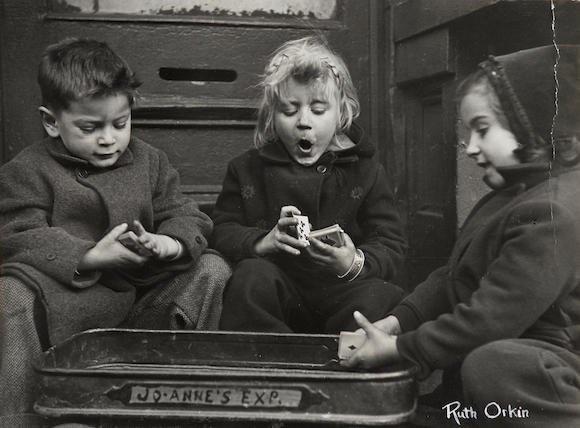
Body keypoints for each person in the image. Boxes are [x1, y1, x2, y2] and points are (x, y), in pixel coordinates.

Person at [342, 44, 580, 427]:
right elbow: (453, 278)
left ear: (533, 124)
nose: (470, 147)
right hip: (523, 352)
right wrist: (399, 322)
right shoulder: (507, 197)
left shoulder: (556, 211)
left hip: (559, 367)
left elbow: (491, 319)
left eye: (482, 130)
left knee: (495, 365)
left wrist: (401, 349)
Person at [0, 38, 231, 425]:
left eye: (120, 124)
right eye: (90, 128)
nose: (109, 138)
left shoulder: (149, 161)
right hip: (63, 315)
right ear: (51, 122)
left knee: (212, 268)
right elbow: (16, 232)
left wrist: (168, 243)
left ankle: (183, 407)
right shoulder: (28, 170)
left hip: (141, 309)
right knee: (9, 290)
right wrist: (88, 256)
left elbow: (186, 215)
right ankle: (22, 416)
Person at [212, 36, 407, 334]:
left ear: (341, 113)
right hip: (280, 290)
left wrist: (352, 262)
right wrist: (262, 242)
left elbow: (390, 243)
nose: (304, 121)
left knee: (381, 295)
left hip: (340, 291)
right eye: (289, 111)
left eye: (318, 110)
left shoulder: (365, 170)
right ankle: (271, 368)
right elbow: (223, 229)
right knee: (250, 278)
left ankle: (336, 369)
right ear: (271, 116)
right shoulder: (247, 168)